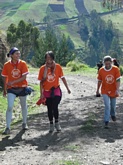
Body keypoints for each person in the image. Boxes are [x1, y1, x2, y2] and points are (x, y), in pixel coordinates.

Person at [38, 51, 71, 133]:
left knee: (55, 106)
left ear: (53, 58)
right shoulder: (42, 69)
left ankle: (57, 122)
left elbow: (62, 78)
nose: (48, 60)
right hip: (47, 91)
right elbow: (41, 82)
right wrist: (41, 94)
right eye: (47, 58)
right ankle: (51, 124)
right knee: (49, 108)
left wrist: (67, 88)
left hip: (56, 90)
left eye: (50, 58)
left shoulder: (58, 67)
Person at [1, 47, 29, 134]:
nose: (18, 55)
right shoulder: (6, 65)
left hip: (22, 87)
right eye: (16, 53)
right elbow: (5, 78)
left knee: (24, 106)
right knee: (9, 106)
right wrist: (5, 89)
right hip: (11, 89)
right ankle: (8, 127)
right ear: (12, 55)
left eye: (19, 53)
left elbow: (24, 77)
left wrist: (13, 81)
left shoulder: (23, 64)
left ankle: (24, 123)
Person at [96, 56, 121, 128]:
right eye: (106, 64)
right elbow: (99, 81)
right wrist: (97, 90)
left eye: (109, 63)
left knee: (113, 106)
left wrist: (117, 89)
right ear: (104, 63)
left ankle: (113, 114)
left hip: (113, 90)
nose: (107, 65)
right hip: (105, 90)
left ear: (111, 62)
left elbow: (118, 80)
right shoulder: (101, 70)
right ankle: (106, 121)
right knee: (107, 105)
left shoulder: (115, 69)